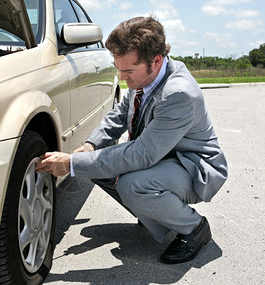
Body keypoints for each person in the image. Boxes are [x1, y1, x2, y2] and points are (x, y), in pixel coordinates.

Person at [35, 16, 228, 264]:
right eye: (119, 69)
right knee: (95, 165)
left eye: (127, 71)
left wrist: (71, 163)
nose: (122, 77)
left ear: (155, 61)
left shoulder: (178, 94)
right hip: (165, 157)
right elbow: (118, 115)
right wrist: (90, 146)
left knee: (132, 185)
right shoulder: (146, 75)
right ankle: (156, 210)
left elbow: (141, 155)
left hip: (192, 167)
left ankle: (194, 227)